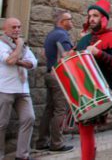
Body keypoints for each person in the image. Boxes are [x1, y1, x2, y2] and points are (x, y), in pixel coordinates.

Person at [75, 0, 112, 160]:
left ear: (104, 18)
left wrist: (99, 53)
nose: (91, 19)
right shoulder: (84, 40)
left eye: (95, 16)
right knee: (85, 129)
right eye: (90, 16)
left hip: (99, 90)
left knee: (86, 129)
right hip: (81, 89)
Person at [35, 10, 75, 152]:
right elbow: (67, 55)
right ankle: (57, 143)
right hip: (58, 76)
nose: (72, 22)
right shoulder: (62, 35)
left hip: (49, 74)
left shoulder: (51, 34)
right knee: (60, 109)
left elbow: (45, 54)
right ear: (62, 22)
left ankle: (41, 142)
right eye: (69, 19)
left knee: (49, 109)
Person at [0, 18, 37, 160]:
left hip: (22, 89)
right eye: (14, 27)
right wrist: (19, 46)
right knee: (1, 124)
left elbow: (33, 62)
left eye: (19, 26)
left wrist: (19, 61)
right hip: (5, 89)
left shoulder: (24, 45)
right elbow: (9, 61)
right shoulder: (1, 44)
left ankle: (22, 155)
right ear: (6, 29)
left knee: (29, 118)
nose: (17, 29)